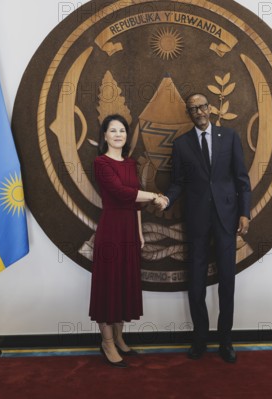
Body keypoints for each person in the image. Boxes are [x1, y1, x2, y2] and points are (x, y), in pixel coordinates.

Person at [155, 93, 251, 364]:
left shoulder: (230, 137)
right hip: (196, 220)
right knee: (196, 282)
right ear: (188, 114)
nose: (198, 111)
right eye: (192, 109)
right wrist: (166, 199)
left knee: (227, 282)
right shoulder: (181, 144)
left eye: (202, 106)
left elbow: (242, 179)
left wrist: (245, 213)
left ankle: (225, 339)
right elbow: (178, 183)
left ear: (210, 108)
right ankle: (199, 338)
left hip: (227, 217)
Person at [90, 114, 162, 368]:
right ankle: (107, 342)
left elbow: (135, 201)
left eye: (122, 130)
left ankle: (119, 338)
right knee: (108, 285)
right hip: (111, 230)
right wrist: (154, 195)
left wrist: (140, 231)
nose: (118, 134)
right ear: (105, 136)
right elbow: (121, 193)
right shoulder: (101, 162)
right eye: (113, 130)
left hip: (130, 230)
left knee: (122, 283)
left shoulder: (130, 163)